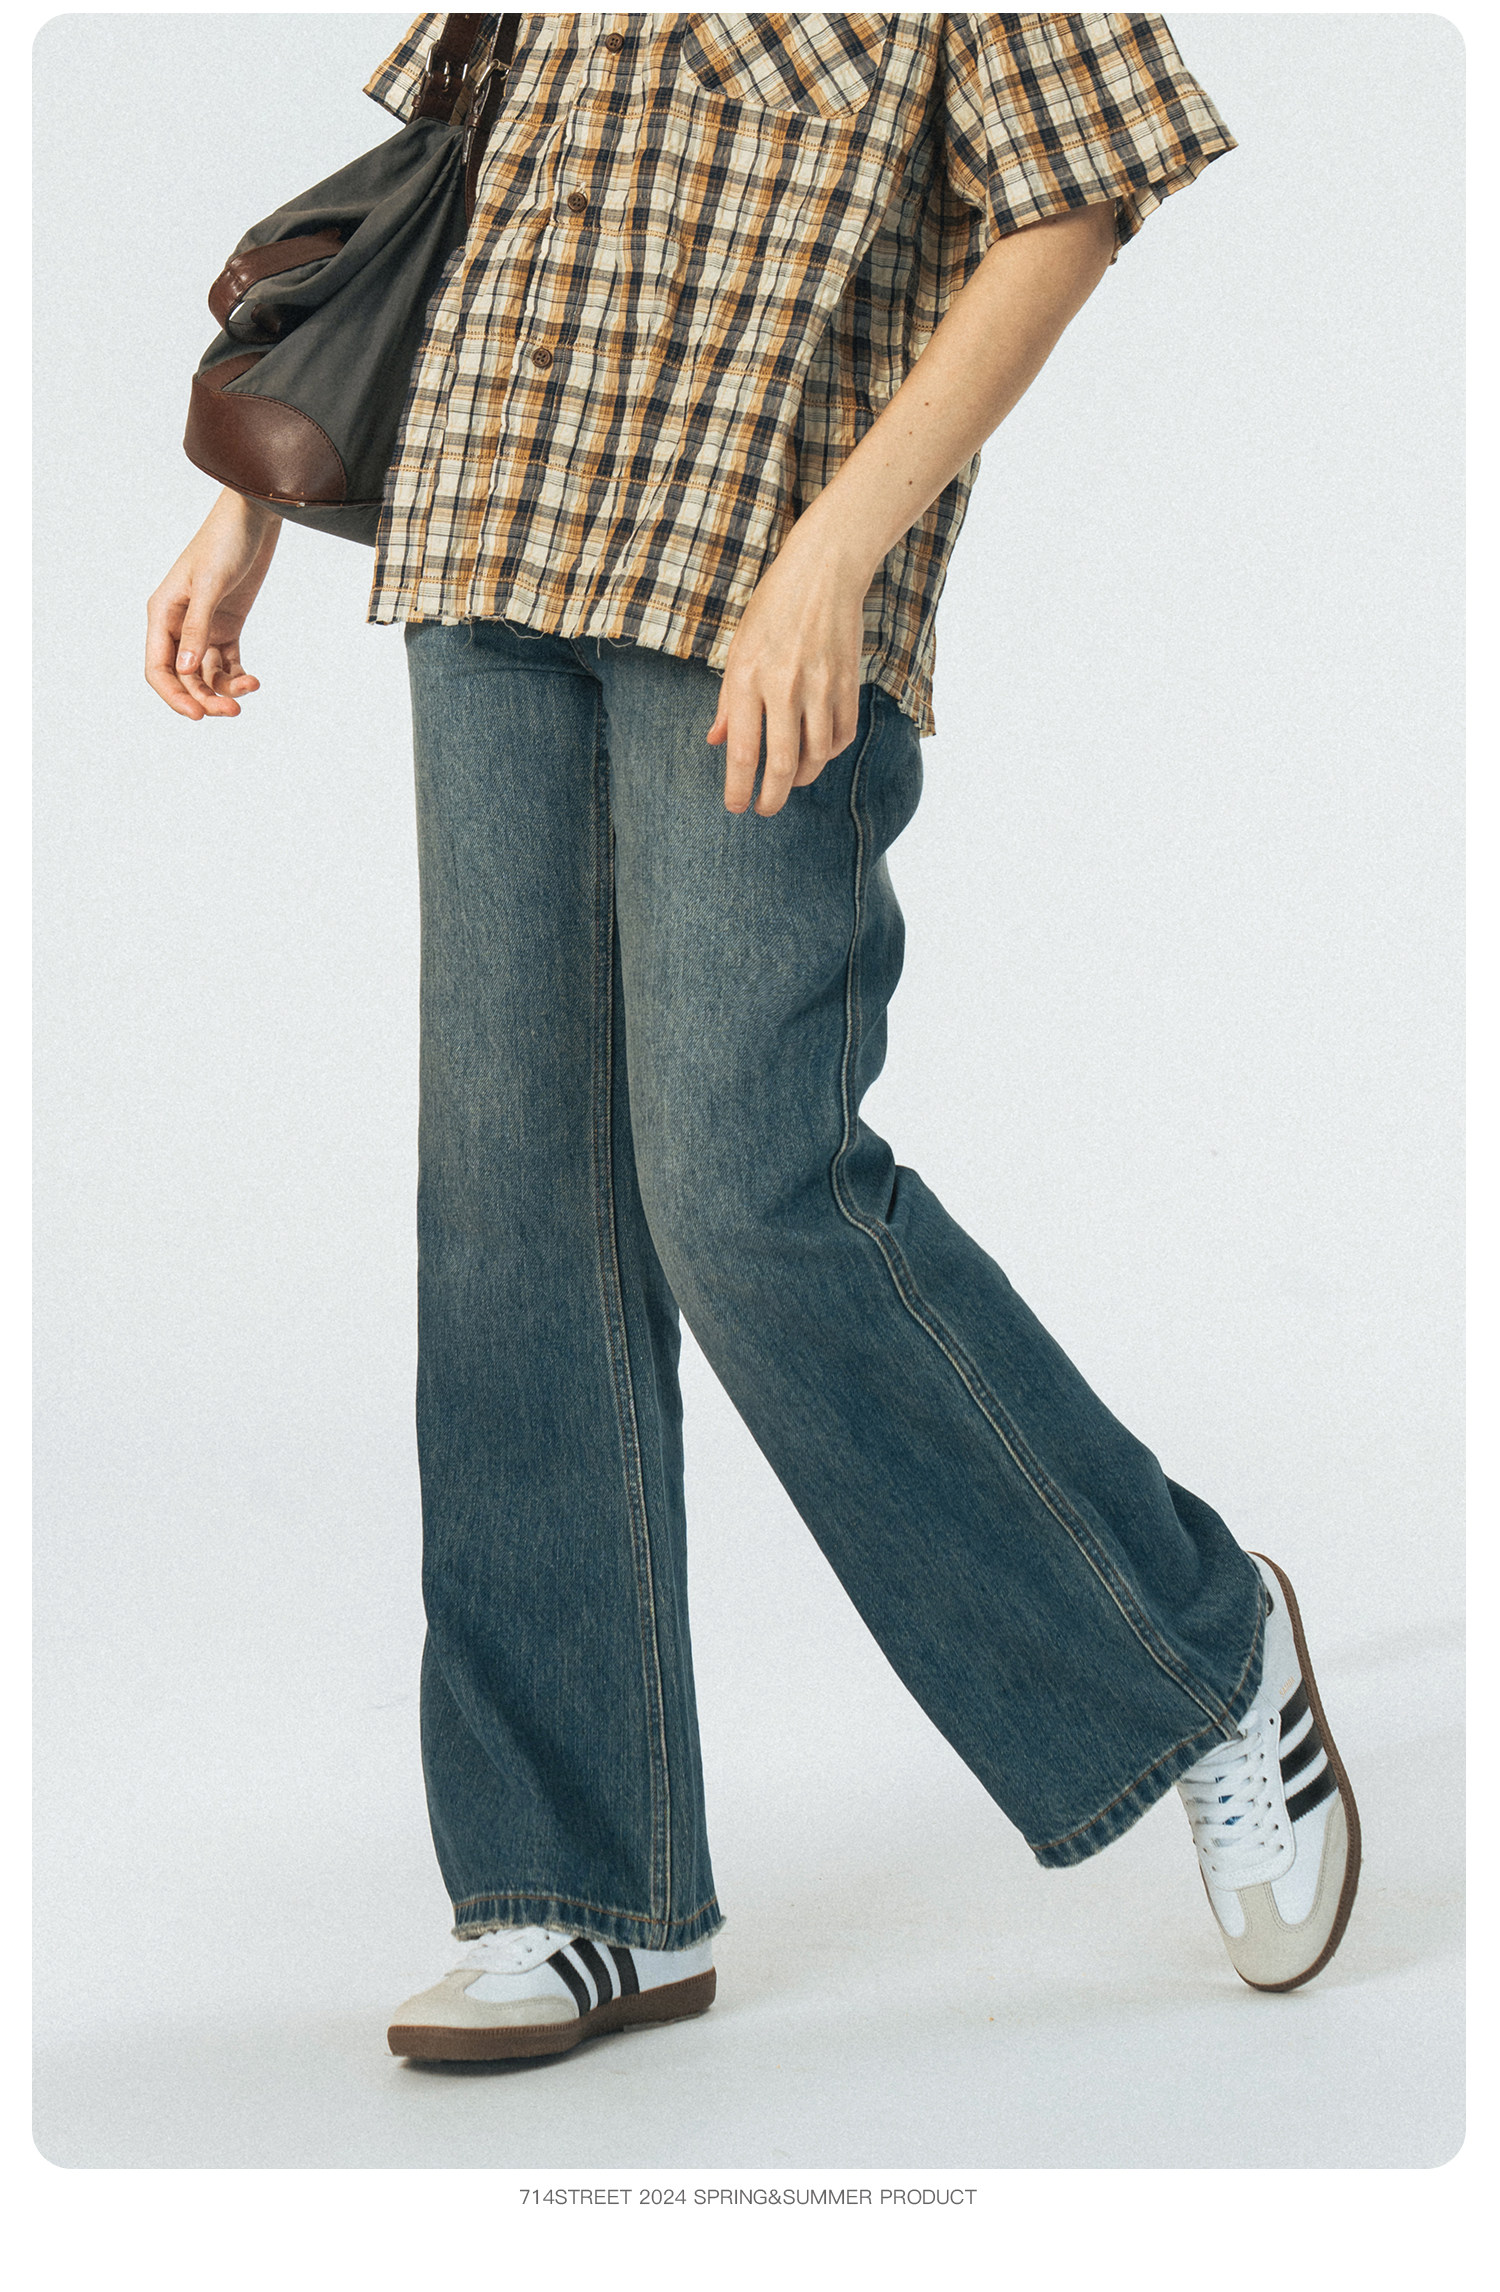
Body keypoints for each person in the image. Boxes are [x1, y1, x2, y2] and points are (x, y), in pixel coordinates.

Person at [146, 12, 1360, 2063]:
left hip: (763, 578)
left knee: (750, 1190)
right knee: (513, 1218)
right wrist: (252, 491)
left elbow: (1073, 202)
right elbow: (461, 149)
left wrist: (838, 549)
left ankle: (1201, 1651)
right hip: (484, 526)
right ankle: (578, 1890)